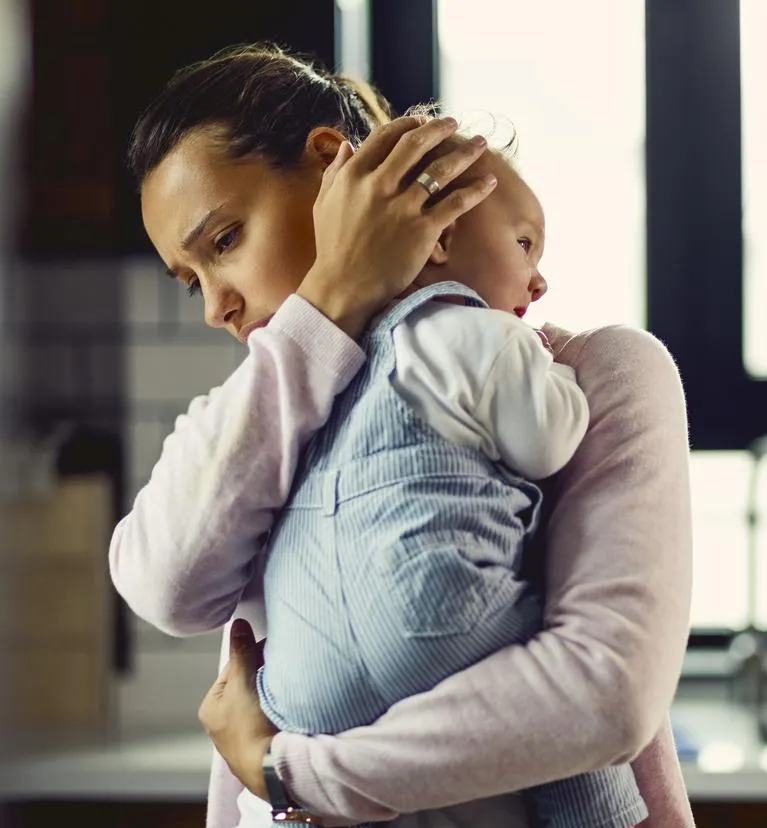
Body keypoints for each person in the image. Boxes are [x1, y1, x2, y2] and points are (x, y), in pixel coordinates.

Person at [111, 44, 695, 828]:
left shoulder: (585, 375)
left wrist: (288, 774)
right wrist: (329, 304)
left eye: (224, 242)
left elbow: (604, 699)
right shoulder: (247, 415)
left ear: (330, 163)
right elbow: (170, 588)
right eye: (192, 282)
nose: (216, 306)